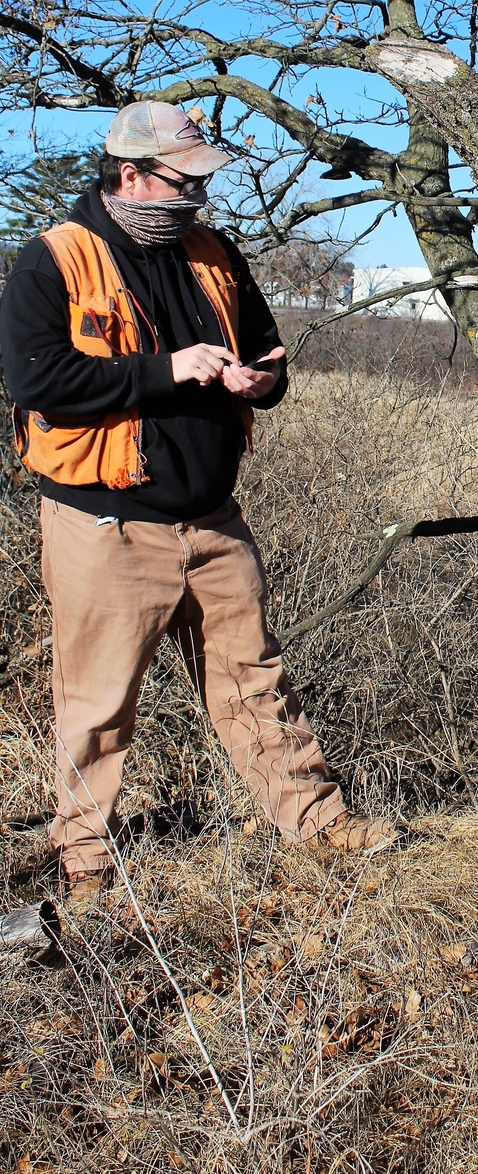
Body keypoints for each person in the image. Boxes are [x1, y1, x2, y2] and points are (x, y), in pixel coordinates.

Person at [0, 101, 395, 900]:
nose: (200, 199)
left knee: (256, 685)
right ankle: (85, 864)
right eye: (185, 182)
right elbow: (37, 381)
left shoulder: (215, 253)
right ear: (131, 175)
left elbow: (267, 351)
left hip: (216, 521)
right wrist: (167, 369)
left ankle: (321, 826)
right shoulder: (53, 260)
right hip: (103, 524)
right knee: (98, 704)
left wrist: (264, 378)